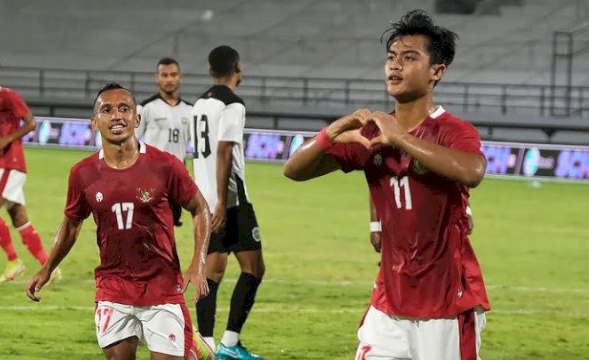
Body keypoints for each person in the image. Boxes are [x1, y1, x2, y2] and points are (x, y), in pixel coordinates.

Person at [284, 10, 490, 360]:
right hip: (388, 304)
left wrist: (400, 138)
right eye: (392, 57)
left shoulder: (453, 130)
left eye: (410, 58)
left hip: (446, 306)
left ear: (436, 72)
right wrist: (333, 131)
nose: (395, 65)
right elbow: (294, 170)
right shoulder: (370, 135)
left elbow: (473, 170)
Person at [26, 82, 213, 360]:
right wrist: (47, 268)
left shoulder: (165, 165)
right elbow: (71, 225)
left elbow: (200, 208)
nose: (116, 116)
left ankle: (191, 345)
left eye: (124, 108)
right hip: (113, 287)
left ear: (136, 119)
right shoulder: (82, 174)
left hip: (161, 287)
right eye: (107, 110)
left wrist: (197, 262)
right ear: (94, 122)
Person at [191, 45, 265, 360]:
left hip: (203, 199)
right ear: (238, 66)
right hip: (230, 201)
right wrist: (223, 201)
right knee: (254, 268)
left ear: (210, 71)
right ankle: (229, 344)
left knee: (213, 270)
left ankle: (204, 344)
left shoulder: (198, 104)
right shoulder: (232, 104)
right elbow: (223, 151)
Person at [0, 54, 58, 283]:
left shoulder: (7, 96)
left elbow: (31, 123)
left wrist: (7, 140)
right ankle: (50, 267)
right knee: (19, 217)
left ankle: (13, 262)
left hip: (11, 163)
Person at [136, 57, 193, 227]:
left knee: (170, 227)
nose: (169, 79)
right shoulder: (145, 108)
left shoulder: (190, 111)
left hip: (178, 177)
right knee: (149, 226)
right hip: (151, 176)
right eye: (164, 75)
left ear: (180, 77)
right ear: (157, 77)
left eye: (173, 75)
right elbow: (132, 142)